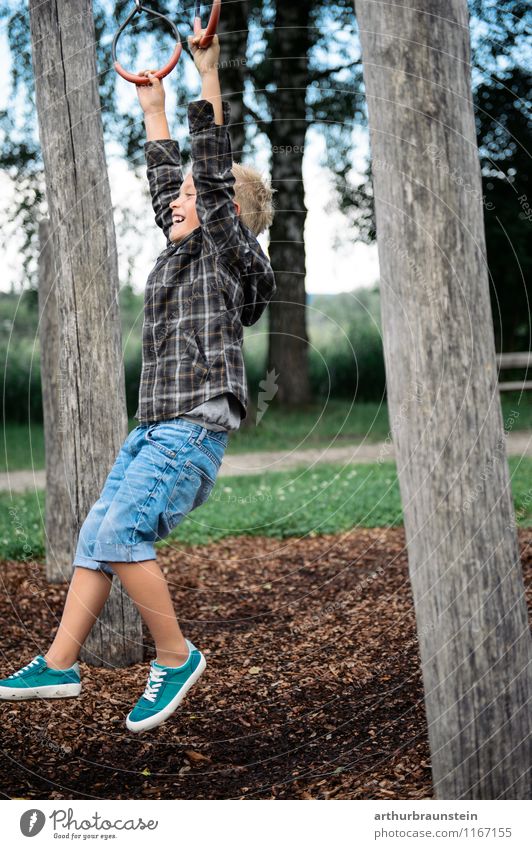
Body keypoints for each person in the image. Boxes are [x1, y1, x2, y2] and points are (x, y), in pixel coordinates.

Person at [0, 31, 276, 734]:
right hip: (155, 427)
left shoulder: (227, 252)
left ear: (228, 215)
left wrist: (207, 74)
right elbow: (168, 183)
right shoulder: (183, 251)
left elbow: (209, 176)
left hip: (190, 427)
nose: (178, 200)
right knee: (96, 534)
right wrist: (153, 105)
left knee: (123, 531)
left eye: (192, 194)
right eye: (180, 194)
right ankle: (61, 663)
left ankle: (175, 654)